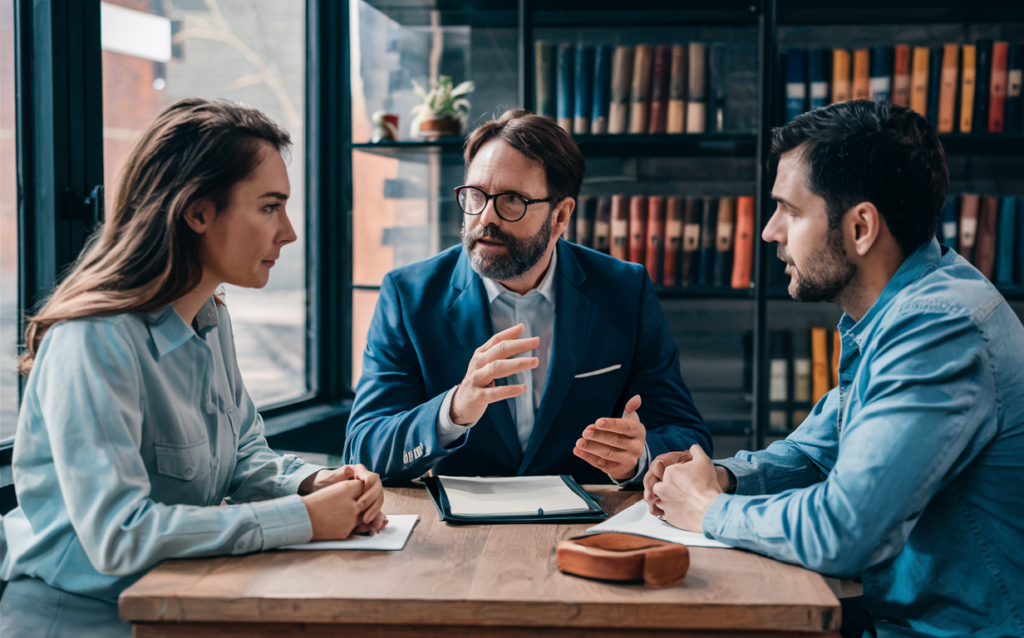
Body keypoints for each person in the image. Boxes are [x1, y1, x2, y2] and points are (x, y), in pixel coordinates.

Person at [0, 98, 387, 638]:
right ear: (198, 212)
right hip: (80, 618)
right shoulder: (93, 341)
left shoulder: (211, 316)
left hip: (178, 601)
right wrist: (305, 520)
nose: (289, 232)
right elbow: (120, 535)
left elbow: (243, 456)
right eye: (270, 207)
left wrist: (315, 484)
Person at [644, 100, 1024, 638]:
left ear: (861, 227)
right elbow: (815, 453)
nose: (769, 232)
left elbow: (845, 531)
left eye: (789, 211)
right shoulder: (902, 307)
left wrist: (707, 509)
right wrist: (726, 478)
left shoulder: (937, 327)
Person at [344, 109, 710, 485]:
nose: (486, 217)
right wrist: (451, 411)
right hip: (461, 534)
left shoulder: (624, 290)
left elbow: (688, 435)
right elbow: (363, 449)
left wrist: (640, 456)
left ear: (560, 216)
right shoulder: (408, 296)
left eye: (512, 200)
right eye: (475, 195)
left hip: (588, 528)